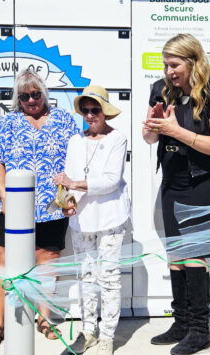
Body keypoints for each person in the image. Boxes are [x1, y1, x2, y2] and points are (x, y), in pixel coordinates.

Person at [142, 33, 210, 355]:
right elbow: (150, 138)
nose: (169, 71)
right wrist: (152, 128)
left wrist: (176, 130)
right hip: (173, 177)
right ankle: (180, 321)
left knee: (194, 253)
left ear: (193, 62)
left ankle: (199, 329)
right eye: (166, 65)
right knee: (176, 254)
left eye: (174, 64)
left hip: (205, 180)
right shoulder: (160, 90)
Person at [0, 69, 81, 349]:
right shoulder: (9, 122)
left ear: (44, 94)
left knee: (47, 260)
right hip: (15, 209)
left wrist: (70, 195)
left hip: (53, 206)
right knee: (5, 263)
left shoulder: (63, 120)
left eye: (35, 94)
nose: (31, 100)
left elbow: (77, 158)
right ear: (18, 98)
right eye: (24, 96)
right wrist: (7, 198)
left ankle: (44, 317)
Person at [53, 85, 131, 355]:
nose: (89, 115)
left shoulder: (118, 138)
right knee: (86, 277)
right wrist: (67, 202)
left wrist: (73, 183)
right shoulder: (75, 141)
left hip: (110, 218)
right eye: (85, 110)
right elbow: (69, 178)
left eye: (94, 109)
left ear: (105, 112)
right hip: (82, 220)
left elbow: (110, 181)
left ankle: (108, 335)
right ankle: (88, 331)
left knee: (109, 279)